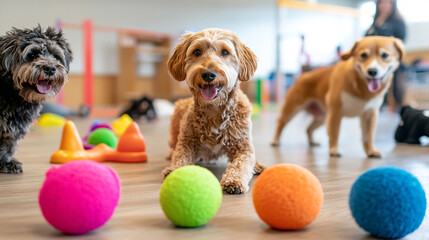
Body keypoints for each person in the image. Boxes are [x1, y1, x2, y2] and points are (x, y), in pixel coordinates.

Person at [365, 0, 407, 110]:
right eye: (381, 3)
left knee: (392, 79)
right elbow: (365, 39)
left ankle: (393, 104)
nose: (384, 5)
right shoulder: (374, 22)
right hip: (372, 60)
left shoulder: (398, 22)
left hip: (388, 60)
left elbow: (400, 42)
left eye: (387, 3)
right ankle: (375, 102)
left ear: (392, 4)